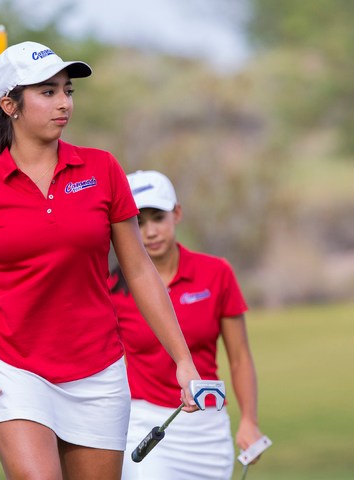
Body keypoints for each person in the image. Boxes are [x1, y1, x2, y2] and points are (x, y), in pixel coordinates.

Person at [0, 42, 201, 480]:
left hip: (98, 370)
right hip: (13, 368)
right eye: (48, 92)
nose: (63, 103)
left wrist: (182, 360)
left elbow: (138, 269)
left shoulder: (102, 169)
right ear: (9, 105)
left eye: (67, 91)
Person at [110, 170, 266, 480]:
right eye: (138, 222)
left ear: (176, 214)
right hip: (145, 421)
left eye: (158, 218)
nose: (150, 231)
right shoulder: (110, 287)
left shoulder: (216, 273)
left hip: (208, 427)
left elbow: (239, 357)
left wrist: (249, 419)